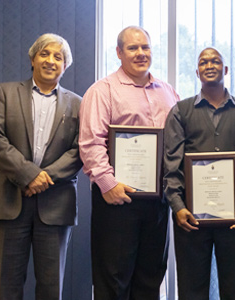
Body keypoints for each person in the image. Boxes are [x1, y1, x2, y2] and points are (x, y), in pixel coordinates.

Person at [79, 26, 179, 299]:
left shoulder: (168, 92)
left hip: (157, 200)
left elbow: (178, 141)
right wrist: (107, 183)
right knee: (113, 279)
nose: (140, 53)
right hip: (116, 199)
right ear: (119, 53)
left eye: (145, 47)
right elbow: (90, 142)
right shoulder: (102, 91)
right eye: (133, 48)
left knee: (150, 278)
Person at [0, 33, 82, 300]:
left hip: (55, 203)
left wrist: (43, 178)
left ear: (65, 65)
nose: (51, 61)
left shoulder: (78, 103)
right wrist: (28, 175)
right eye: (44, 54)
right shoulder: (4, 93)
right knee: (7, 285)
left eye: (58, 57)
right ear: (32, 59)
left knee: (52, 288)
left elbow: (79, 150)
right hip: (8, 202)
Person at [163, 47, 235, 299]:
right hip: (190, 217)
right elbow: (171, 165)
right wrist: (177, 206)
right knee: (191, 288)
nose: (210, 65)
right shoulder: (180, 111)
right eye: (204, 62)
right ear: (197, 72)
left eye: (216, 61)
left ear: (226, 70)